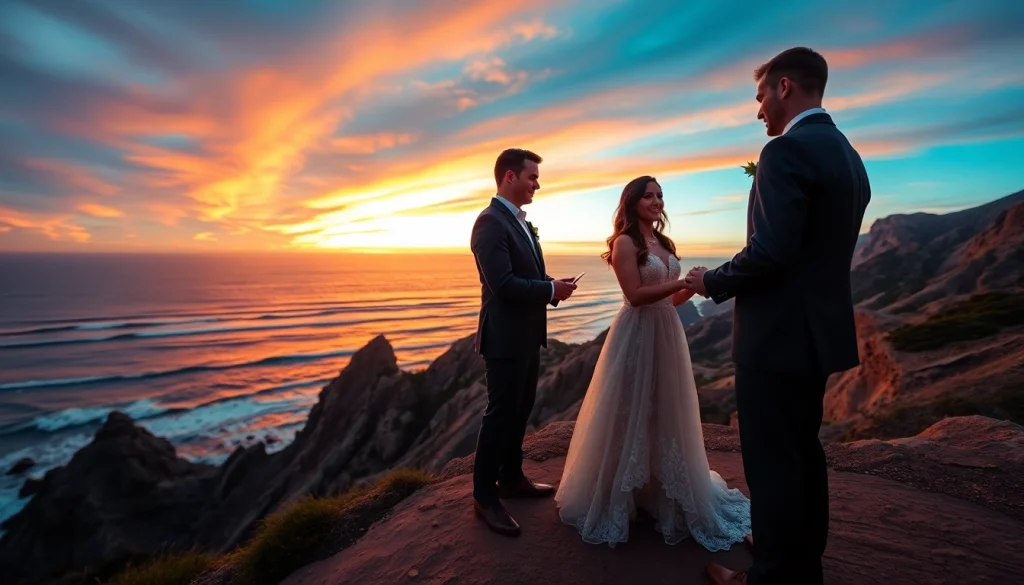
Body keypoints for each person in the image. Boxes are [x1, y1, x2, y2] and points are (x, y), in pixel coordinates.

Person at [684, 47, 871, 585]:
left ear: (784, 87)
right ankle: (795, 558)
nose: (758, 108)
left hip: (776, 337)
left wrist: (710, 281)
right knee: (803, 454)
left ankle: (769, 574)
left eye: (761, 95)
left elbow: (770, 252)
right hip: (817, 335)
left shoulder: (785, 152)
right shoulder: (848, 155)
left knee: (771, 461)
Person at [553, 176, 751, 551]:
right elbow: (636, 295)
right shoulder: (624, 243)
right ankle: (621, 488)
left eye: (660, 195)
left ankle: (658, 486)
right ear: (632, 202)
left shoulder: (664, 243)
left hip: (667, 332)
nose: (657, 201)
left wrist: (690, 286)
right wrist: (680, 283)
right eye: (648, 196)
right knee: (631, 406)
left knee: (664, 406)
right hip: (637, 333)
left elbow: (668, 302)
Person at [469, 147, 579, 536]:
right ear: (510, 177)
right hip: (504, 338)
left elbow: (526, 274)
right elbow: (502, 285)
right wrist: (549, 289)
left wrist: (552, 285)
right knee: (500, 414)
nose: (537, 184)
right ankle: (485, 497)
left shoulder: (518, 222)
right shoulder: (490, 223)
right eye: (532, 177)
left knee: (521, 411)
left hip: (528, 336)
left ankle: (512, 478)